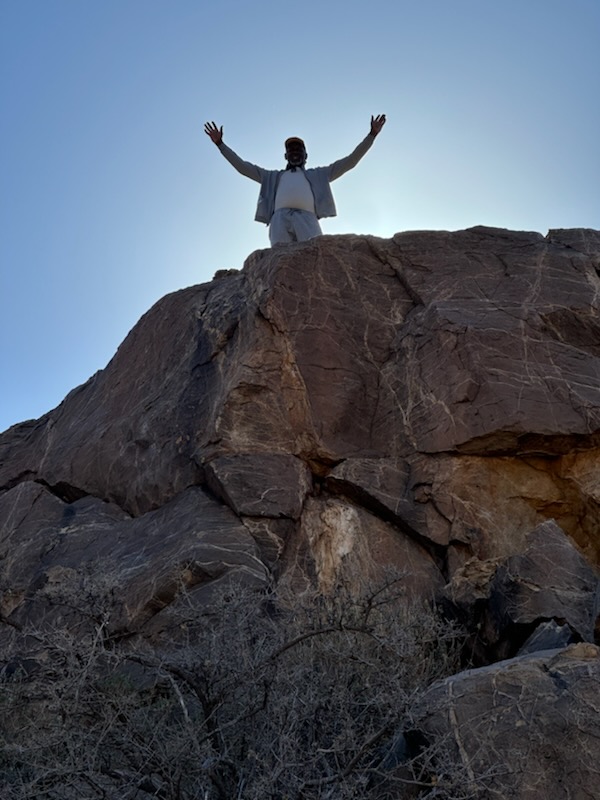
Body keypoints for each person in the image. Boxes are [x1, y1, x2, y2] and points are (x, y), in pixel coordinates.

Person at [204, 115, 386, 245]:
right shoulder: (271, 177)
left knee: (314, 256)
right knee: (280, 262)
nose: (295, 152)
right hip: (279, 219)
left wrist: (372, 135)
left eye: (299, 150)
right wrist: (220, 145)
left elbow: (350, 162)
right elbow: (242, 167)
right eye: (291, 150)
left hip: (307, 219)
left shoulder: (319, 174)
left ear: (306, 155)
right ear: (285, 155)